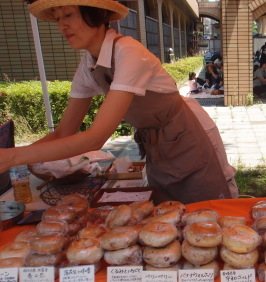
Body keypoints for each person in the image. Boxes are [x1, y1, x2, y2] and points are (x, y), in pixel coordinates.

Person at [0, 0, 238, 203]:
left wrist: (12, 157)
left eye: (69, 14)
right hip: (157, 143)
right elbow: (64, 131)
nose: (62, 26)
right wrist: (18, 156)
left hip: (188, 135)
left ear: (95, 13)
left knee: (206, 212)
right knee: (168, 214)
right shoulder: (89, 64)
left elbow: (96, 137)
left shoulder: (128, 52)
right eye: (58, 17)